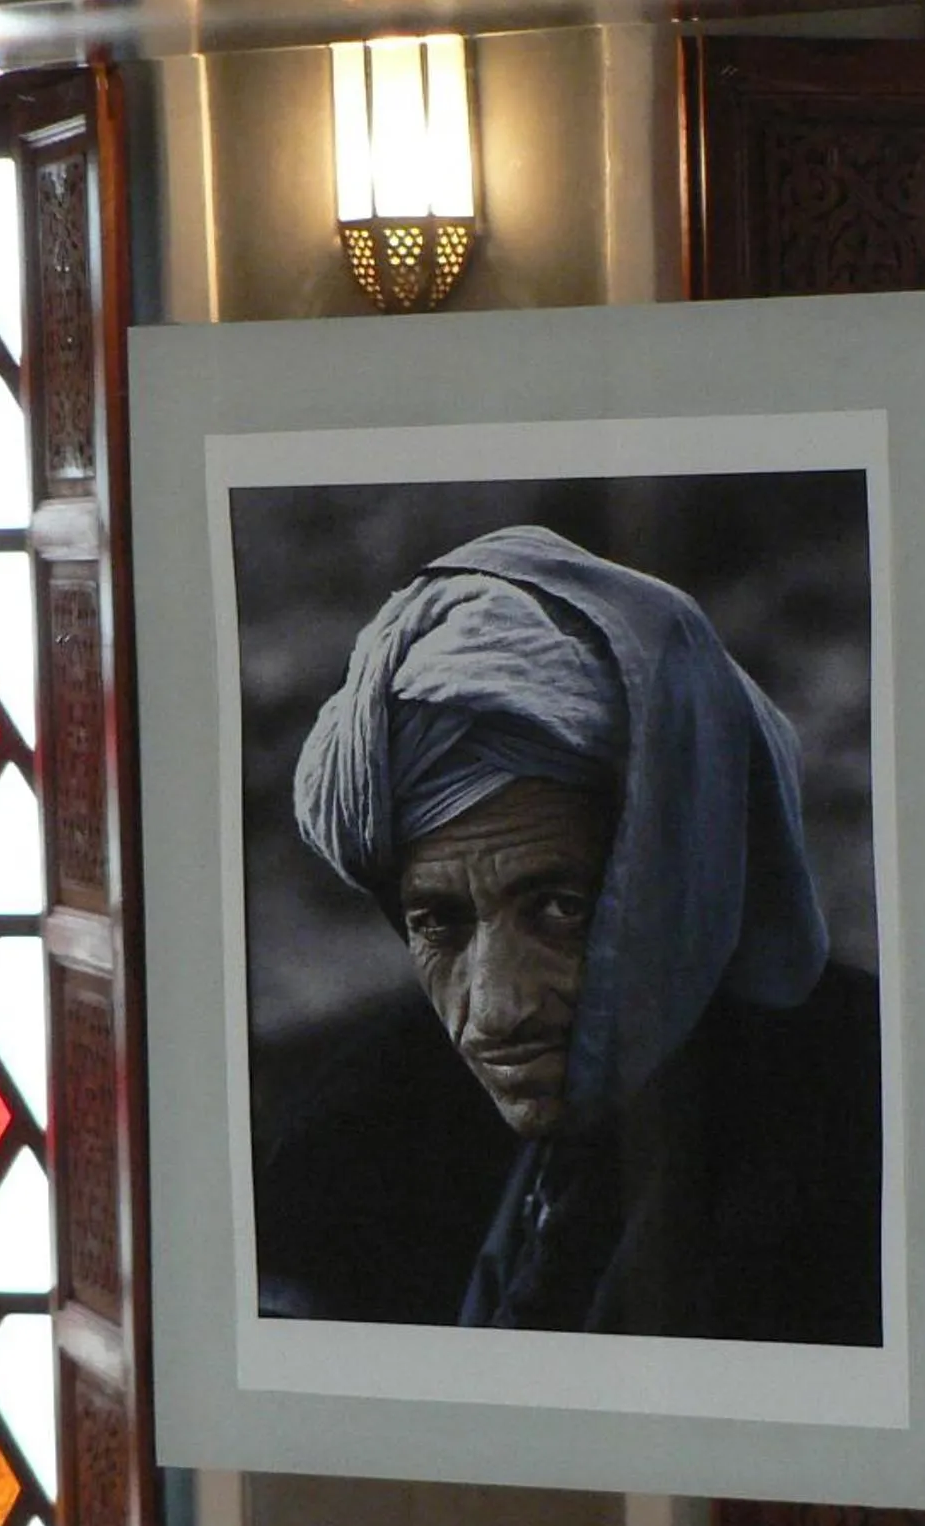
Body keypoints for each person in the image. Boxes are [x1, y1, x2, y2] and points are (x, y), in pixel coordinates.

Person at [254, 524, 881, 1346]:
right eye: (439, 923)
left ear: (685, 866)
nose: (497, 1006)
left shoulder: (858, 1148)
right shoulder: (358, 1158)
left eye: (560, 909)